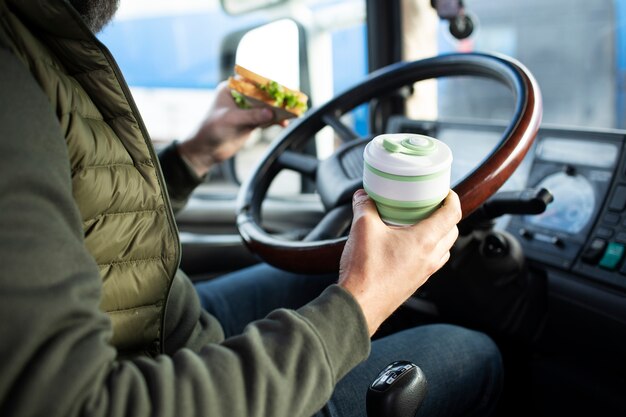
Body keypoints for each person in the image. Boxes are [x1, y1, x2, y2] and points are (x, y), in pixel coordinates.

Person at [0, 0, 502, 416]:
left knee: (322, 271)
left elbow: (87, 226)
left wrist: (192, 156)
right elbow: (82, 404)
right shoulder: (11, 81)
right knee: (473, 354)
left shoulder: (36, 40)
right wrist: (362, 303)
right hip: (147, 376)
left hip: (159, 324)